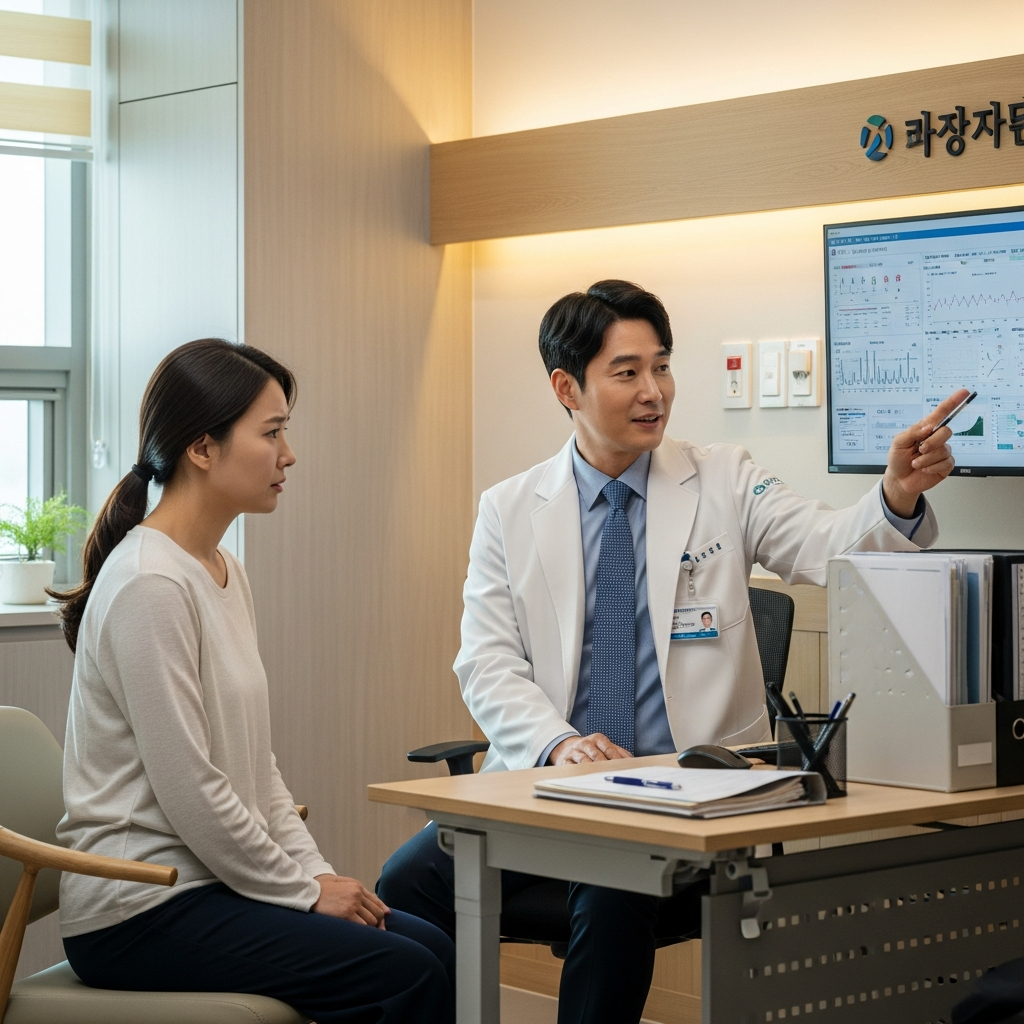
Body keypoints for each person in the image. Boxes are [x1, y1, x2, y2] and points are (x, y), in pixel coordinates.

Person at [378, 280, 966, 1024]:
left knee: (611, 881)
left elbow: (826, 546)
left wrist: (896, 495)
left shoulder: (724, 477)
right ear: (567, 387)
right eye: (627, 372)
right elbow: (487, 662)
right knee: (404, 884)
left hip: (687, 794)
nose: (653, 391)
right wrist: (557, 744)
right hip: (549, 785)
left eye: (661, 366)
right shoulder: (509, 508)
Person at [54, 339, 454, 1024]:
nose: (287, 455)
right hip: (139, 907)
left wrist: (315, 874)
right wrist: (303, 892)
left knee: (433, 946)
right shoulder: (150, 583)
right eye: (271, 434)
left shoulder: (223, 569)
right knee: (404, 973)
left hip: (212, 883)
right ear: (202, 448)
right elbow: (191, 789)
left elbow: (254, 769)